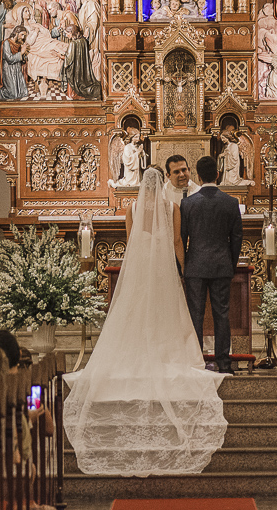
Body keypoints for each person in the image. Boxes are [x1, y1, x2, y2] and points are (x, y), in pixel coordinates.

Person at [62, 167, 227, 476]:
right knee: (166, 316)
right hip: (163, 270)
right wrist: (180, 269)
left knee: (135, 315)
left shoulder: (133, 207)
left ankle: (134, 355)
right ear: (163, 183)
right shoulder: (172, 207)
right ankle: (165, 354)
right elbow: (177, 241)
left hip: (140, 270)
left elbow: (131, 241)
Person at [180, 155, 244, 374]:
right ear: (217, 174)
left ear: (197, 176)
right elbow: (237, 238)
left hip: (195, 266)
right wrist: (230, 263)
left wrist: (184, 265)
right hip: (221, 264)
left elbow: (182, 237)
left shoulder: (188, 203)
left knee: (195, 315)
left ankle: (196, 362)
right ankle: (224, 362)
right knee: (221, 314)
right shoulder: (231, 202)